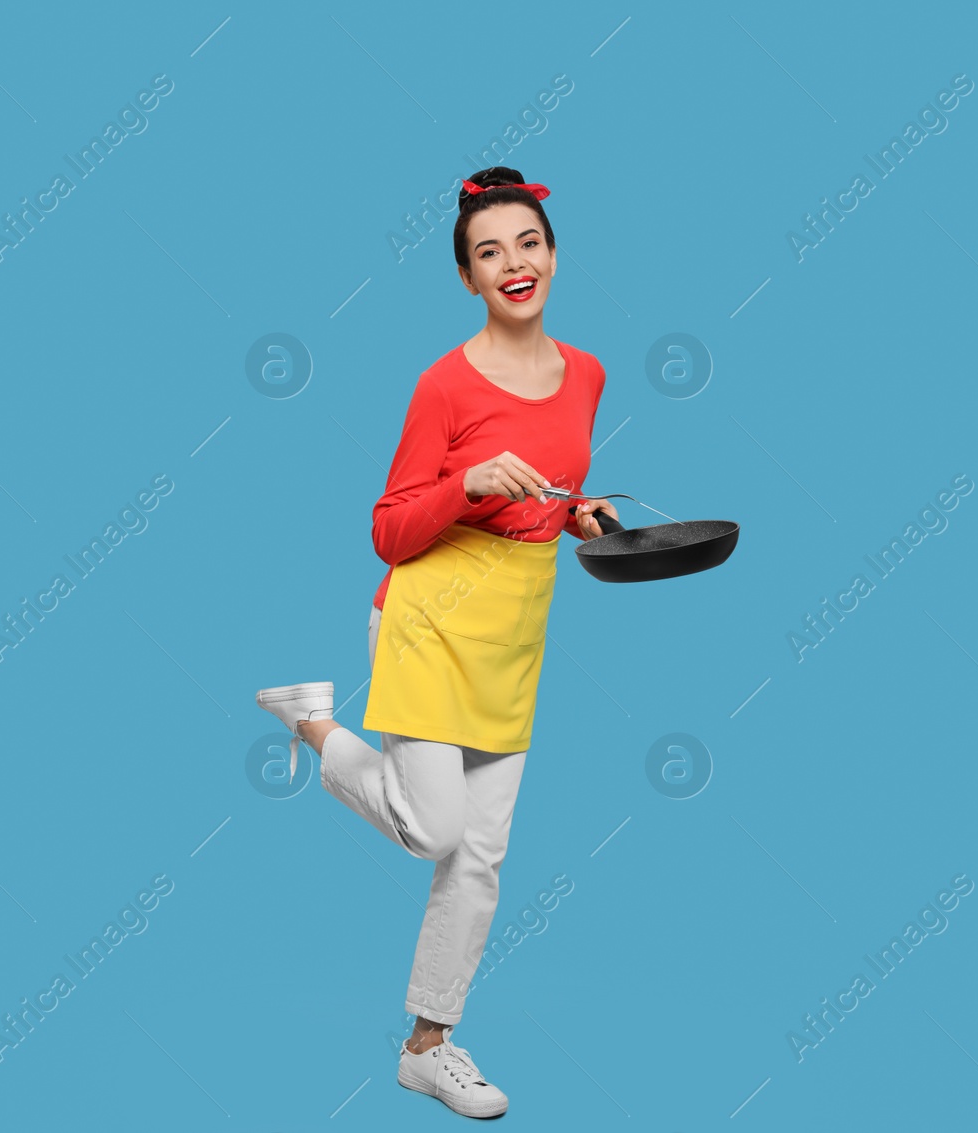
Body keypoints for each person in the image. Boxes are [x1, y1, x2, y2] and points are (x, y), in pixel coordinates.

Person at [255, 166, 616, 1120]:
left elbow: (551, 483)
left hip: (515, 626)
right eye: (488, 252)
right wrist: (466, 489)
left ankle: (429, 1047)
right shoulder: (444, 385)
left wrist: (578, 512)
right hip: (427, 615)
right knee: (433, 829)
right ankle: (314, 727)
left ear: (552, 254)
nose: (513, 263)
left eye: (527, 244)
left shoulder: (587, 373)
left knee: (482, 855)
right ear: (467, 278)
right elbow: (387, 528)